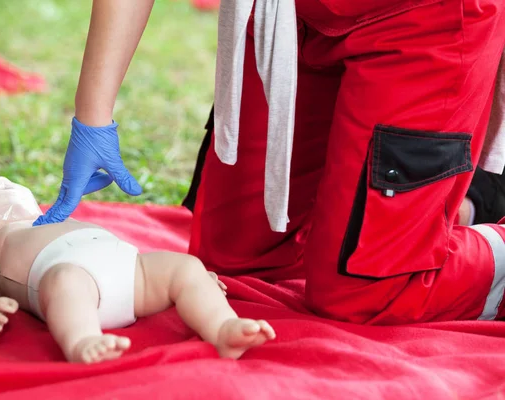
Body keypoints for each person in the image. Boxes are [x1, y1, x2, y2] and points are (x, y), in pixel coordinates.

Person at [36, 1, 505, 325]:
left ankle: (479, 226)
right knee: (233, 263)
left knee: (363, 292)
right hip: (288, 20)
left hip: (423, 21)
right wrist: (93, 120)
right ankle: (439, 211)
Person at [0, 176, 275, 364]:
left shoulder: (47, 219)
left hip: (131, 270)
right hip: (73, 281)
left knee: (185, 267)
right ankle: (82, 340)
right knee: (64, 283)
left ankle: (222, 327)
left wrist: (196, 282)